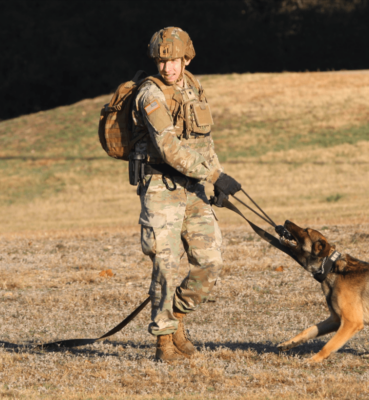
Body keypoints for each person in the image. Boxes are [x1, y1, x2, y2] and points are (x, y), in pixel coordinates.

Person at [131, 27, 241, 361]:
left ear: (186, 58)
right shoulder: (149, 94)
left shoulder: (193, 86)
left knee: (211, 262)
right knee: (165, 266)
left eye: (174, 60)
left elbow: (203, 142)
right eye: (162, 61)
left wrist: (216, 182)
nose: (168, 67)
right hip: (160, 188)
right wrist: (214, 175)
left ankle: (177, 318)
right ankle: (164, 344)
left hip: (194, 188)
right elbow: (168, 148)